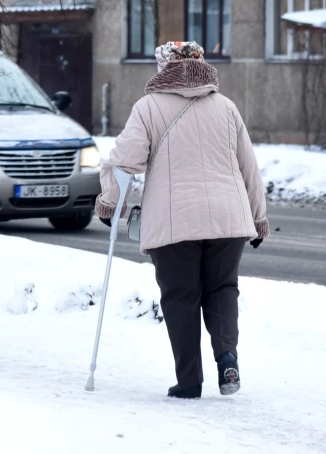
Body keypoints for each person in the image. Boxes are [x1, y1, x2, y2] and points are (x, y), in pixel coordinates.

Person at [96, 41, 269, 399]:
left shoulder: (148, 108)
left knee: (180, 296)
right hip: (229, 218)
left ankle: (189, 381)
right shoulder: (226, 107)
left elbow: (125, 163)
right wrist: (258, 216)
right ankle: (227, 358)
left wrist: (109, 204)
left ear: (163, 68)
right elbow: (248, 167)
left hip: (174, 224)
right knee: (222, 290)